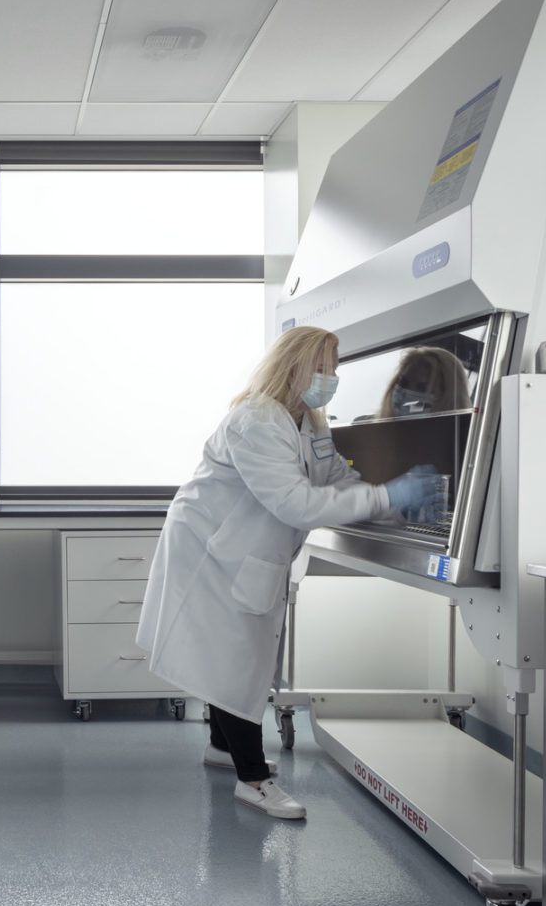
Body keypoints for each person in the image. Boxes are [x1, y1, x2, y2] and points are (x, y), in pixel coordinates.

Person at [135, 326, 438, 819]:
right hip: (211, 550)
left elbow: (337, 479)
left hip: (240, 547)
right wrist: (390, 494)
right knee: (237, 659)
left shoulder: (308, 420)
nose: (330, 377)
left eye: (334, 368)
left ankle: (221, 745)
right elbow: (295, 502)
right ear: (292, 366)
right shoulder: (256, 419)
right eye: (322, 367)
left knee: (234, 654)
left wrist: (396, 510)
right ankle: (252, 780)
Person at [377, 345, 471, 418]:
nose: (406, 394)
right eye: (403, 384)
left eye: (422, 389)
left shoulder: (468, 441)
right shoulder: (370, 433)